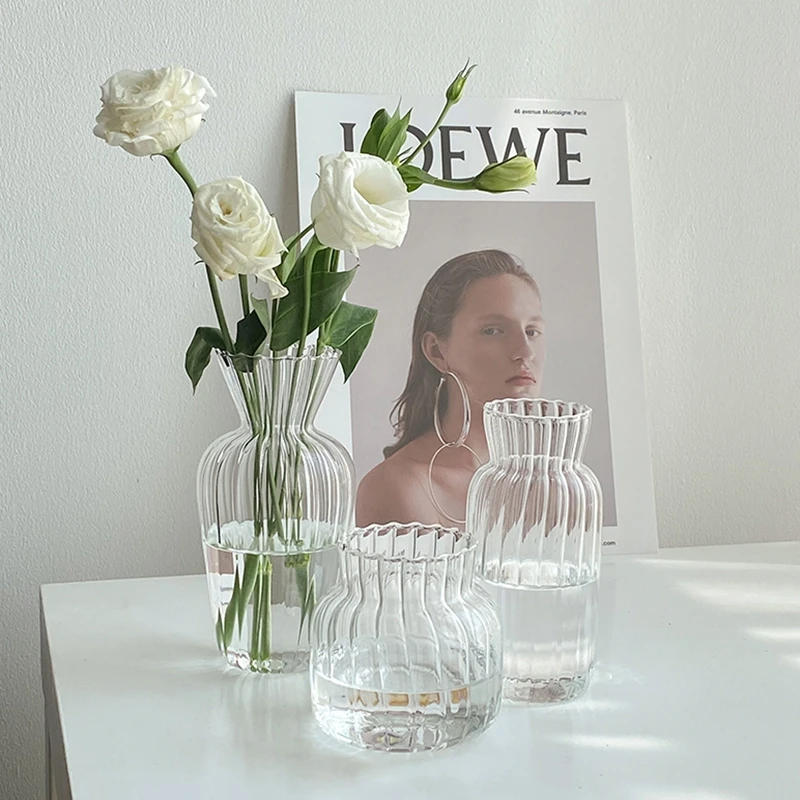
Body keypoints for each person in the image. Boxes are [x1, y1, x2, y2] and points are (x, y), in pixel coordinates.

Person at [356, 249, 546, 528]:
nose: (525, 352)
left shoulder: (555, 483)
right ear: (436, 351)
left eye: (531, 331)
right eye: (493, 330)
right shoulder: (398, 489)